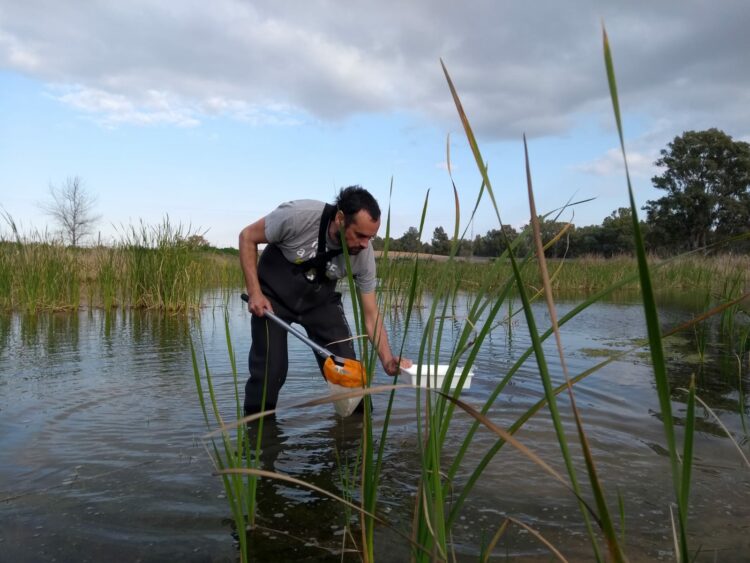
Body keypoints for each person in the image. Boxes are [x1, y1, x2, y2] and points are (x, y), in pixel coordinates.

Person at [239, 185, 411, 415]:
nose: (364, 244)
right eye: (360, 235)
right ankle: (257, 437)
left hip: (320, 304)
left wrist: (388, 359)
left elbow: (371, 315)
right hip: (272, 300)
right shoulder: (298, 216)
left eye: (371, 237)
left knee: (350, 372)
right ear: (340, 219)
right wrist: (255, 293)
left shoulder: (364, 256)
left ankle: (357, 437)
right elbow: (247, 237)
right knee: (271, 372)